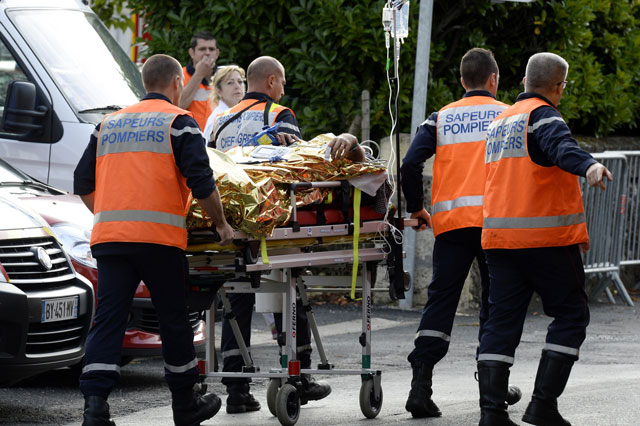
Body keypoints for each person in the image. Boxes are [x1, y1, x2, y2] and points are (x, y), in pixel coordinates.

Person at [73, 54, 234, 426]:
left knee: (108, 319)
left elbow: (82, 182)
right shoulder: (180, 123)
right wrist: (223, 225)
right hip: (160, 241)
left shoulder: (107, 125)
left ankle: (95, 405)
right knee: (174, 320)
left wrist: (110, 213)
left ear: (145, 82)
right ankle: (185, 405)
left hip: (111, 239)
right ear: (178, 82)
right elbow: (202, 182)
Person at [210, 55, 363, 414]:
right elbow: (297, 165)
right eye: (283, 82)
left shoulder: (219, 120)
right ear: (273, 82)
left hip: (230, 220)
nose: (284, 88)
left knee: (237, 299)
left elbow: (210, 166)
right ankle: (299, 375)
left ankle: (237, 389)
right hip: (272, 218)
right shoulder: (278, 115)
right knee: (291, 291)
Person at [477, 52, 613, 426]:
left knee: (500, 324)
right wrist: (590, 166)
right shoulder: (544, 114)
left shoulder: (500, 121)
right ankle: (542, 405)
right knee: (571, 315)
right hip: (546, 241)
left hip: (500, 242)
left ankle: (491, 413)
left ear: (523, 80)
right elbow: (561, 147)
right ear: (559, 87)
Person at [400, 47, 521, 419]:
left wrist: (416, 207)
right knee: (496, 305)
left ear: (462, 81)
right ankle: (494, 389)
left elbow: (409, 163)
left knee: (441, 302)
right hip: (495, 225)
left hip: (451, 226)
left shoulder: (442, 118)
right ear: (494, 80)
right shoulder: (509, 115)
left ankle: (420, 387)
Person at [179, 31, 219, 130]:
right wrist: (199, 74)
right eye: (202, 49)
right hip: (189, 137)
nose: (207, 53)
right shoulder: (180, 75)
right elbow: (179, 105)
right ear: (192, 53)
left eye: (211, 49)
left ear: (217, 53)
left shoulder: (225, 77)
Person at [202, 65, 246, 144]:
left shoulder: (245, 114)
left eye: (240, 82)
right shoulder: (216, 119)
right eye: (230, 83)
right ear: (218, 91)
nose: (237, 86)